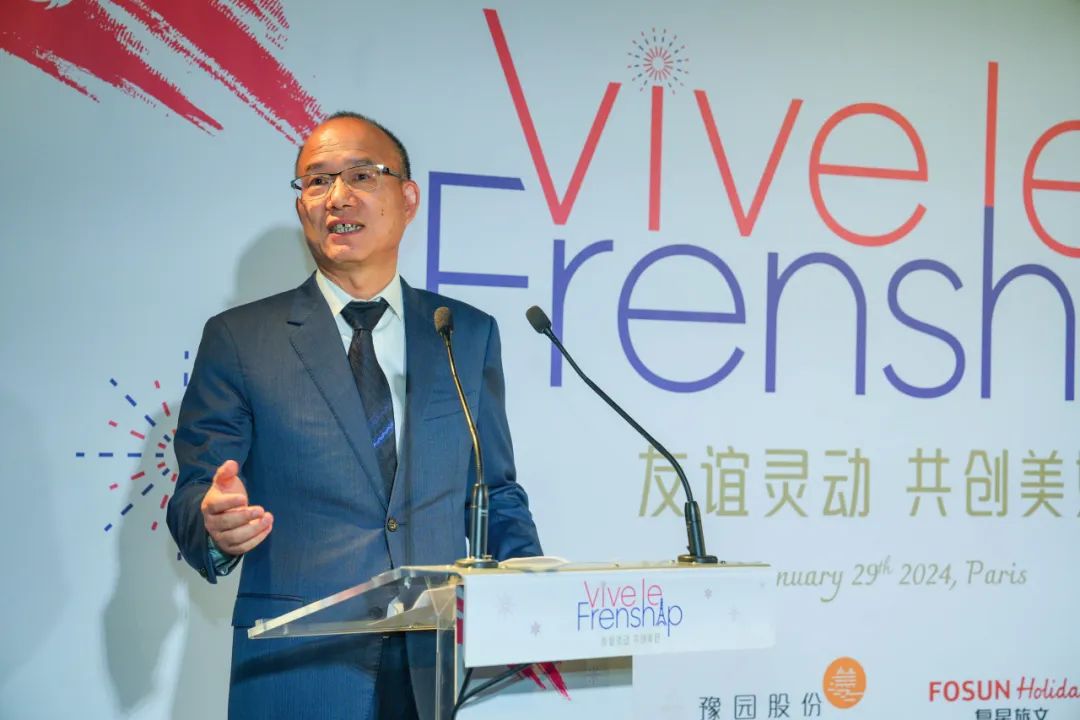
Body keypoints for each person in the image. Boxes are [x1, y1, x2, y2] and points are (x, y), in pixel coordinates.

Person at [167, 111, 542, 720]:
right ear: (302, 207)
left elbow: (493, 492)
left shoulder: (463, 334)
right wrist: (215, 526)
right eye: (317, 181)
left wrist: (532, 590)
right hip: (298, 669)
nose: (337, 196)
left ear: (408, 198)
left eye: (362, 175)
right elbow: (194, 494)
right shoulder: (240, 339)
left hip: (433, 668)